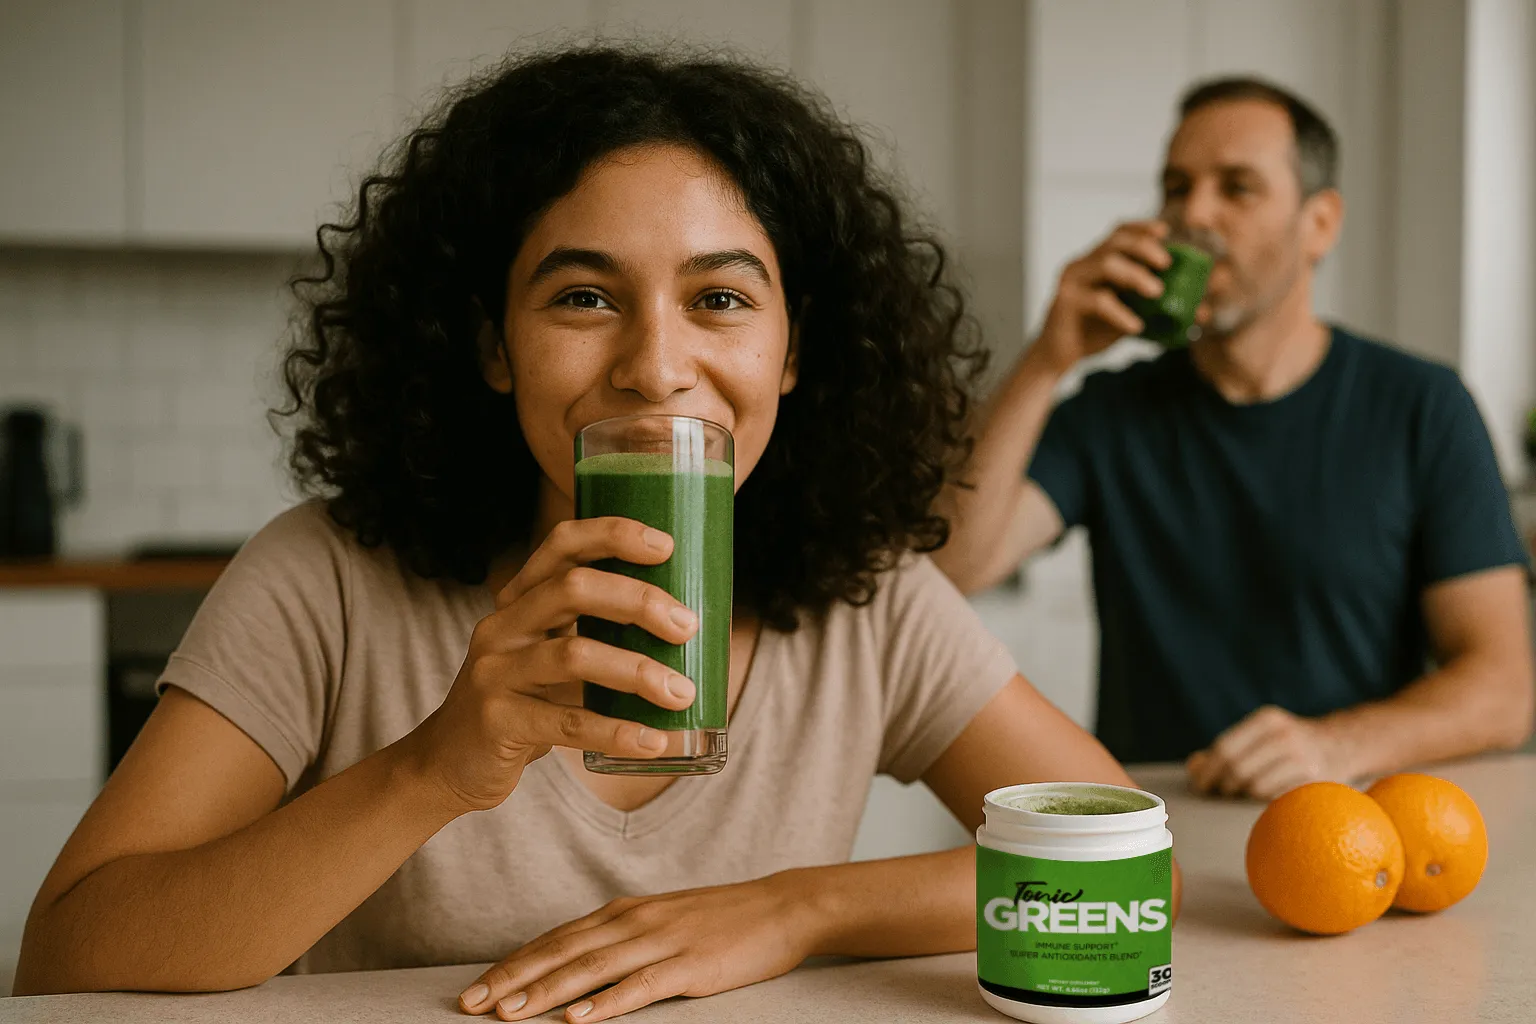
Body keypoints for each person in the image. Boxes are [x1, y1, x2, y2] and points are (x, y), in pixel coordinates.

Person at [14, 46, 1162, 1021]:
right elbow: (67, 956)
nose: (656, 366)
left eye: (719, 299)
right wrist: (431, 767)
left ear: (794, 353)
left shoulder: (869, 599)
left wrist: (796, 908)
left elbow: (1125, 876)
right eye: (583, 297)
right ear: (493, 347)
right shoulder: (324, 578)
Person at [934, 77, 1534, 801]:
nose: (1195, 215)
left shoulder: (1422, 407)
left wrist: (1335, 744)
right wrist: (1046, 360)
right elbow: (954, 569)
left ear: (1320, 224)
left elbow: (1504, 690)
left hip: (1354, 828)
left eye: (1237, 188)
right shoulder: (1109, 412)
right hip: (1158, 829)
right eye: (1177, 186)